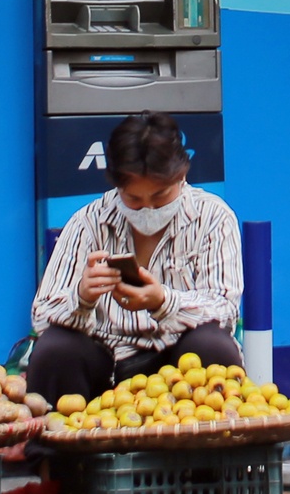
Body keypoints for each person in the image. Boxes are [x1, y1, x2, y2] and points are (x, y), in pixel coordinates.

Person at [26, 111, 245, 404]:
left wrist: (163, 303)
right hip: (105, 365)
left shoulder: (214, 218)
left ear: (182, 175)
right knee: (54, 349)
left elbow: (225, 310)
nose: (147, 210)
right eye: (133, 199)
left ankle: (209, 448)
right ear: (116, 186)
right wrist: (82, 297)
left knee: (213, 346)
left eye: (160, 196)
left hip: (179, 369)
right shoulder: (87, 223)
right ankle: (58, 448)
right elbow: (42, 316)